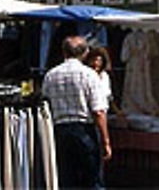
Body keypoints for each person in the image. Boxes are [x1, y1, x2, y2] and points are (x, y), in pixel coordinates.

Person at [42, 36, 111, 189]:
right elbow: (99, 111)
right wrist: (106, 141)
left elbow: (45, 104)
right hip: (84, 130)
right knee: (92, 180)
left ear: (63, 52)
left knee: (66, 179)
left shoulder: (50, 75)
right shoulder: (89, 75)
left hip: (59, 131)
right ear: (85, 53)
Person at [85, 47, 123, 117]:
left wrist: (118, 112)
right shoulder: (86, 75)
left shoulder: (105, 76)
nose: (96, 63)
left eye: (99, 60)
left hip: (103, 113)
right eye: (93, 60)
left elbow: (109, 96)